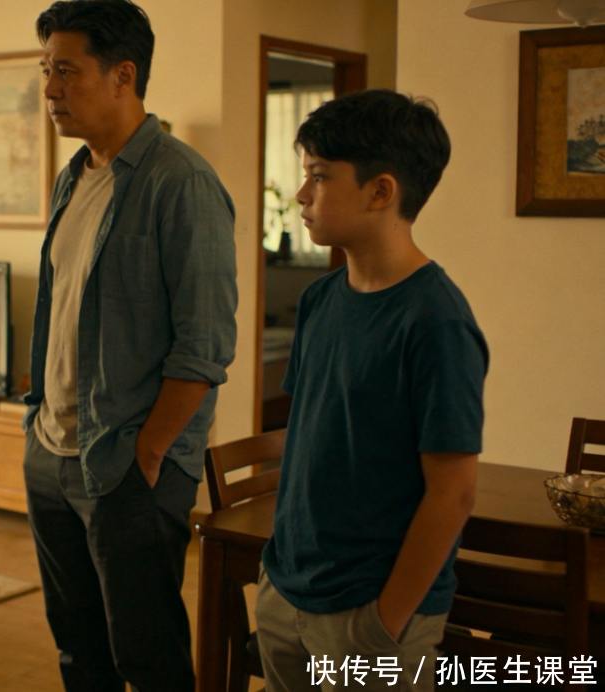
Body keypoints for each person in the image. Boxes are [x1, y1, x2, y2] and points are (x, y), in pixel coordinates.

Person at [22, 1, 238, 690]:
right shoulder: (73, 177)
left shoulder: (182, 182)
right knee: (78, 652)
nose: (49, 88)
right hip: (51, 452)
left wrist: (147, 456)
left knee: (148, 660)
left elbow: (203, 347)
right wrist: (37, 426)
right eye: (45, 69)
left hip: (127, 465)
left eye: (66, 71)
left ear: (123, 75)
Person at [256, 89, 488, 692]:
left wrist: (384, 622)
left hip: (368, 610)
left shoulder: (435, 320)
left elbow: (453, 493)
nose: (301, 194)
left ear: (381, 191)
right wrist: (278, 573)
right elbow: (309, 442)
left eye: (319, 176)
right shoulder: (319, 299)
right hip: (288, 589)